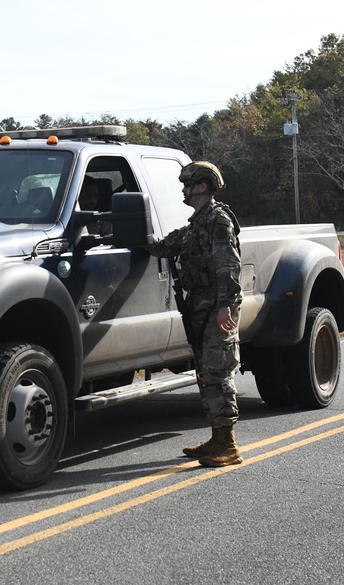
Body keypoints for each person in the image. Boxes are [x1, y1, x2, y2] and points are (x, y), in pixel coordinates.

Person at [146, 161, 243, 467]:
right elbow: (164, 247)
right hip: (201, 307)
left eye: (187, 185)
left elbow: (229, 264)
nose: (184, 191)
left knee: (218, 373)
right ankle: (216, 437)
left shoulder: (218, 220)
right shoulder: (196, 225)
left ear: (202, 187)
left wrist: (226, 304)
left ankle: (229, 446)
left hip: (218, 307)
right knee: (205, 373)